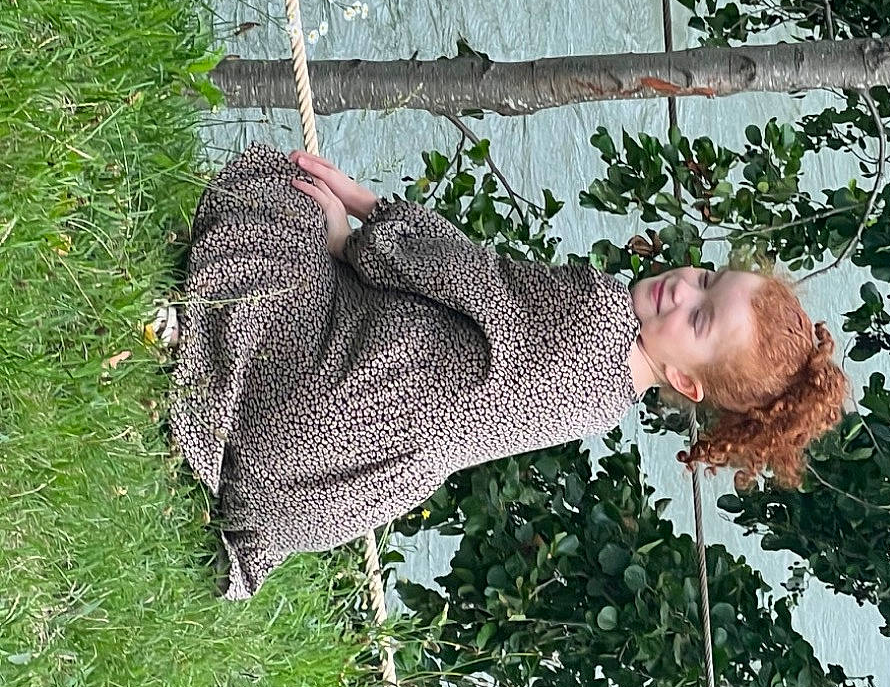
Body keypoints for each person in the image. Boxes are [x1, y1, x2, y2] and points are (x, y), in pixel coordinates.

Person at [166, 144, 846, 598]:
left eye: (699, 319)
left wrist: (358, 225)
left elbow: (465, 276)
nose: (681, 290)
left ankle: (219, 364)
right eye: (706, 279)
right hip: (317, 481)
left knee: (278, 197)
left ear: (689, 382)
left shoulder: (599, 311)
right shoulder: (607, 402)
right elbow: (476, 300)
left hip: (325, 384)